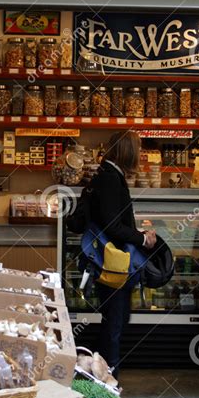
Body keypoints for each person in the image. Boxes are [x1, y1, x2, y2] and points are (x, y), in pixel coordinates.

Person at [88, 131, 156, 376]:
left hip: (113, 259)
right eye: (138, 149)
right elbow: (112, 226)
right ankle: (108, 380)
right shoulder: (110, 179)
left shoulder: (108, 175)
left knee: (115, 321)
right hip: (113, 263)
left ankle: (99, 374)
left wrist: (135, 231)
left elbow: (112, 221)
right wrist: (141, 238)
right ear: (128, 151)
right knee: (114, 324)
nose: (140, 154)